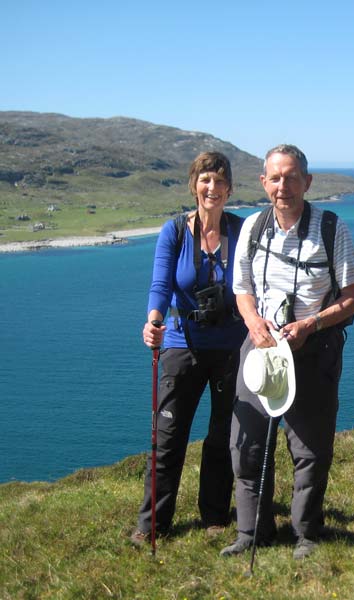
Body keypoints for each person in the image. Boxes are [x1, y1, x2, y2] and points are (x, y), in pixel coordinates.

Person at [222, 144, 354, 560]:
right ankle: (252, 532)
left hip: (313, 348)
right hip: (262, 345)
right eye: (275, 178)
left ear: (307, 182)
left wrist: (311, 324)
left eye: (291, 177)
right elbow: (242, 289)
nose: (283, 186)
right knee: (246, 444)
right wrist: (253, 324)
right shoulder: (253, 226)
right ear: (263, 182)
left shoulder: (331, 229)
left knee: (309, 448)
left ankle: (307, 534)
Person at [131, 151, 247, 545]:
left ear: (229, 189)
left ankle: (214, 515)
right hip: (183, 345)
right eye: (204, 179)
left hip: (232, 346)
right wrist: (153, 319)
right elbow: (161, 285)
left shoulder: (241, 229)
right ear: (193, 185)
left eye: (219, 180)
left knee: (220, 437)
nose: (211, 187)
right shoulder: (175, 231)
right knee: (167, 436)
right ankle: (153, 523)